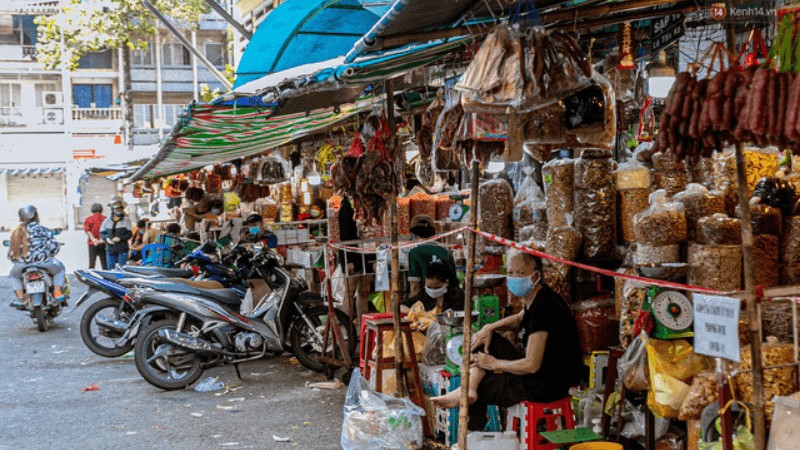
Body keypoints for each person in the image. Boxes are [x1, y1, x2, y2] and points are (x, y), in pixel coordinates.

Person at [430, 249, 584, 431]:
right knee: (487, 339)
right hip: (539, 373)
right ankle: (469, 387)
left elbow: (531, 365)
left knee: (485, 386)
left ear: (536, 276)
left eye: (521, 273)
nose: (514, 278)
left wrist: (494, 364)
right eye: (510, 273)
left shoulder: (545, 308)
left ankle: (472, 430)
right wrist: (490, 327)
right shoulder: (538, 297)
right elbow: (520, 318)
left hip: (546, 383)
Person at [7, 205, 67, 308]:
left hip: (22, 265)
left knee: (14, 276)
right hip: (44, 262)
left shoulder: (16, 232)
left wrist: (18, 260)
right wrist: (52, 252)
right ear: (35, 215)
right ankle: (57, 293)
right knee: (60, 270)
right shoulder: (43, 230)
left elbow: (11, 254)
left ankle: (20, 299)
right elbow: (53, 247)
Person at [407, 214, 455, 297]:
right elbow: (453, 283)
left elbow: (415, 287)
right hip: (447, 301)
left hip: (424, 302)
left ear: (413, 235)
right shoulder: (446, 252)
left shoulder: (414, 253)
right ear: (433, 234)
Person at [100, 199, 133, 269]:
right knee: (110, 269)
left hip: (122, 249)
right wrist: (107, 238)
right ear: (112, 209)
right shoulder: (106, 221)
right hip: (110, 249)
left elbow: (129, 234)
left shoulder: (126, 220)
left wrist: (120, 238)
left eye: (121, 208)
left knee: (122, 269)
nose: (119, 210)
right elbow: (102, 232)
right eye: (117, 208)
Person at [83, 203, 107, 269]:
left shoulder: (89, 219)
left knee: (92, 264)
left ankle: (90, 278)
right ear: (101, 209)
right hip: (103, 243)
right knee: (105, 265)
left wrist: (93, 239)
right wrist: (101, 240)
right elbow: (107, 231)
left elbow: (87, 230)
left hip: (92, 243)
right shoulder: (105, 219)